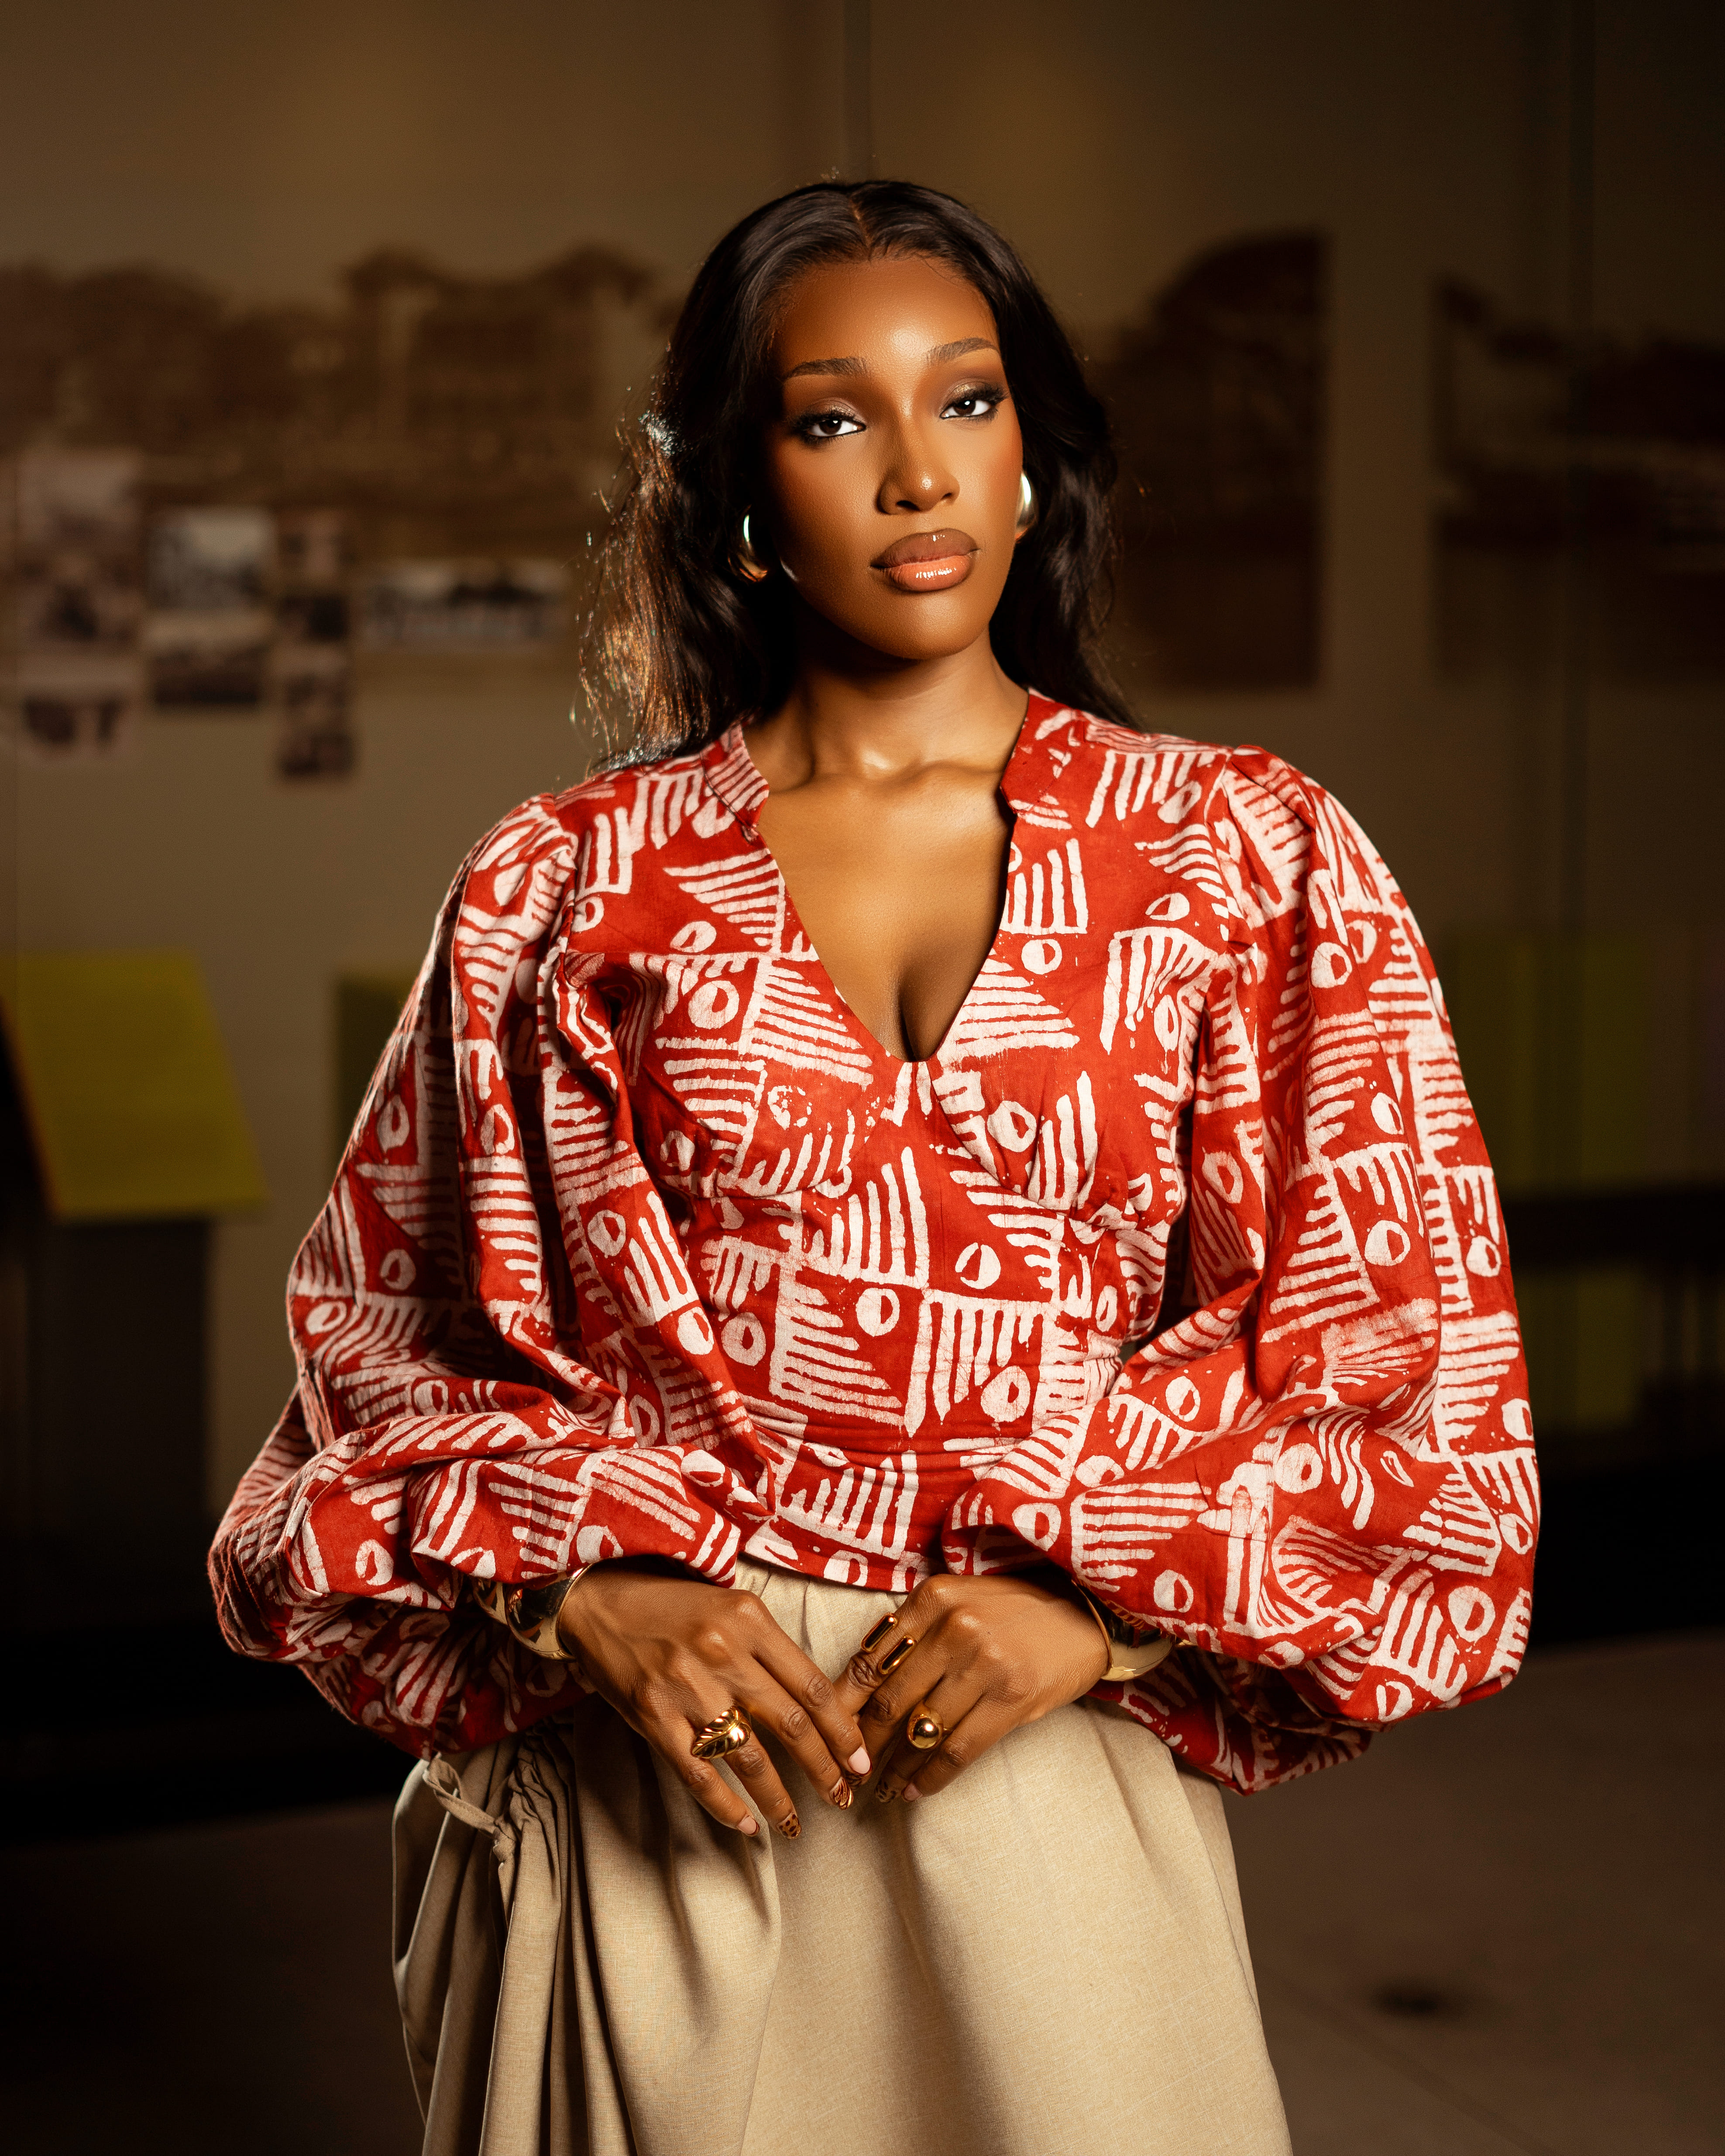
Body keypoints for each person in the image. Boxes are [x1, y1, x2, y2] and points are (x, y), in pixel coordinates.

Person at [210, 180, 1538, 2156]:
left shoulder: (1244, 858)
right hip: (664, 1791)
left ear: (1033, 458)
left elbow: (1406, 1357)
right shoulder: (567, 883)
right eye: (834, 419)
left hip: (1039, 1784)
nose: (917, 473)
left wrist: (1103, 1616)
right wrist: (580, 1591)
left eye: (970, 403)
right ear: (740, 494)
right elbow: (373, 1346)